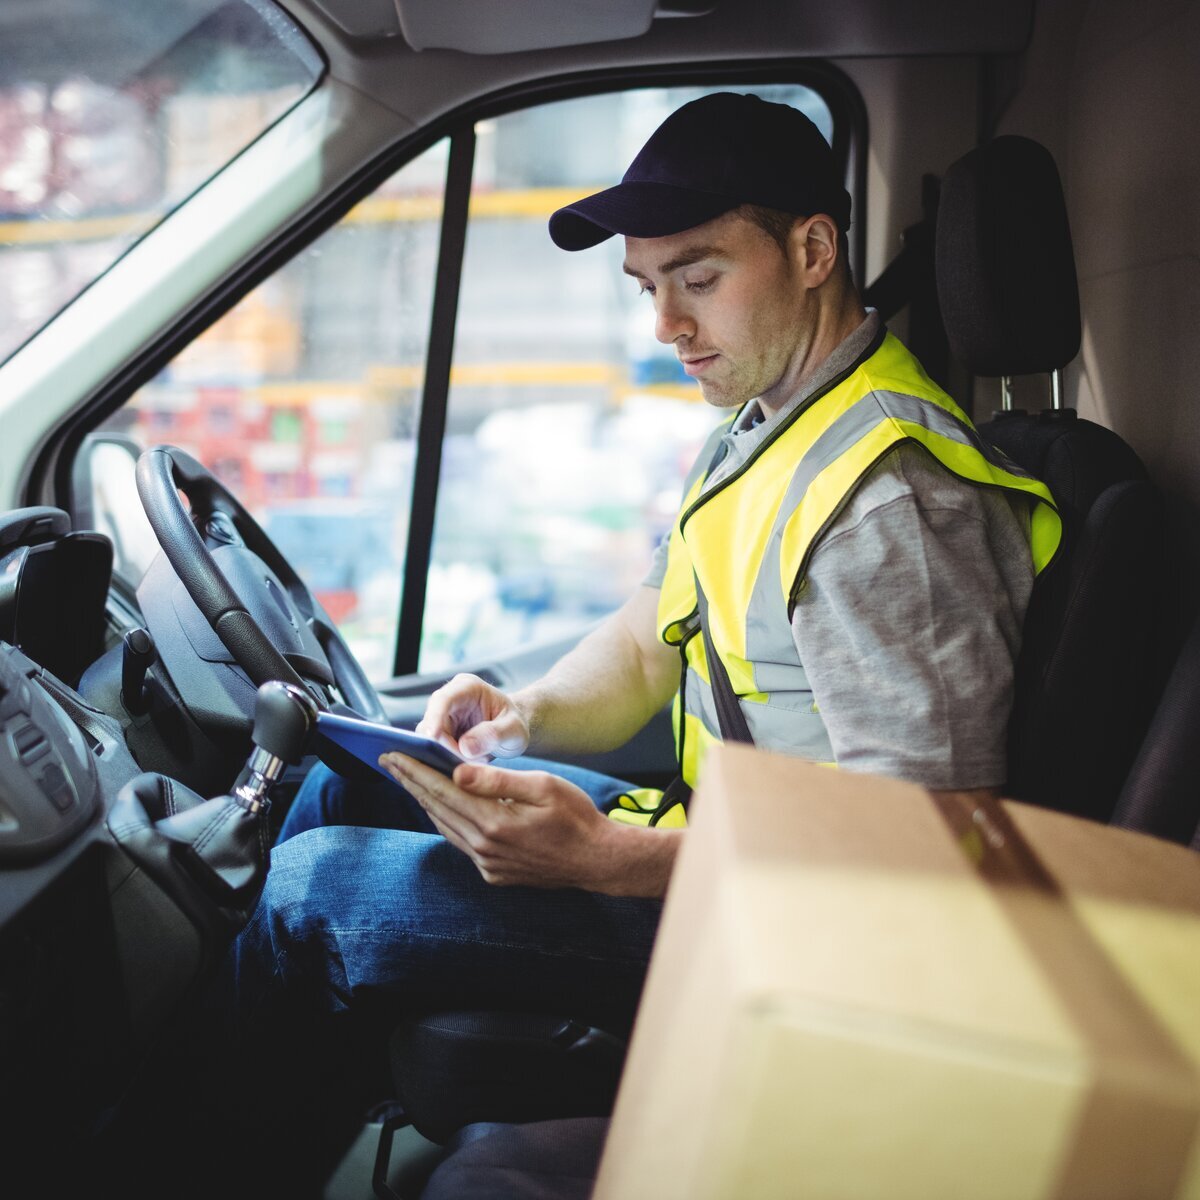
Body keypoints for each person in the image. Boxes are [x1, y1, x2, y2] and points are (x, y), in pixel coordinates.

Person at [226, 91, 1059, 1159]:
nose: (665, 326)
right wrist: (514, 715)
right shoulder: (763, 425)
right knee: (350, 779)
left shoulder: (888, 500)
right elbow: (645, 636)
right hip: (715, 848)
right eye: (647, 287)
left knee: (309, 890)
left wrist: (608, 860)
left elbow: (925, 848)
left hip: (803, 939)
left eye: (699, 279)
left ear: (813, 251)